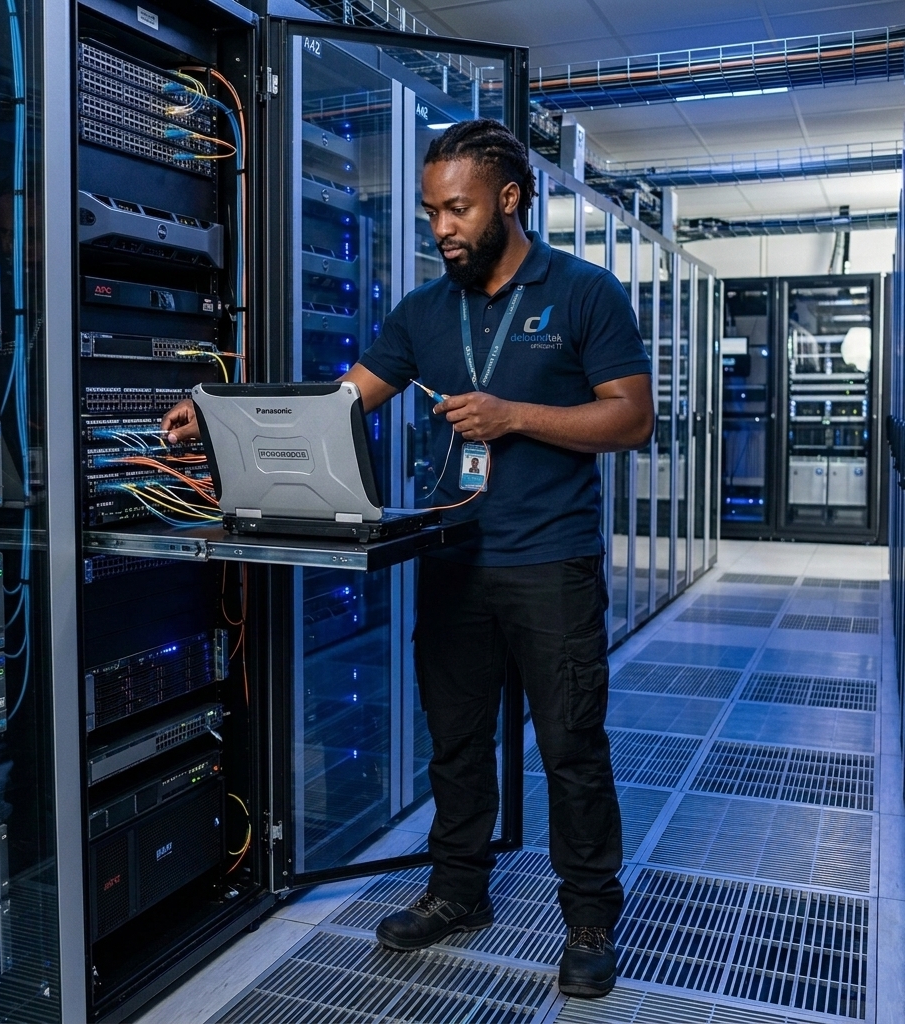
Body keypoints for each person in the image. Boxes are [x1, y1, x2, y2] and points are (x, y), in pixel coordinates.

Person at [161, 119, 654, 999]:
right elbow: (345, 396)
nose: (441, 228)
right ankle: (459, 892)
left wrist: (514, 416)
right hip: (452, 557)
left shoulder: (585, 293)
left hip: (550, 562)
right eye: (431, 212)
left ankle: (587, 916)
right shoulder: (424, 311)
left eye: (457, 209)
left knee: (570, 746)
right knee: (457, 744)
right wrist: (219, 416)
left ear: (509, 198)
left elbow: (630, 418)